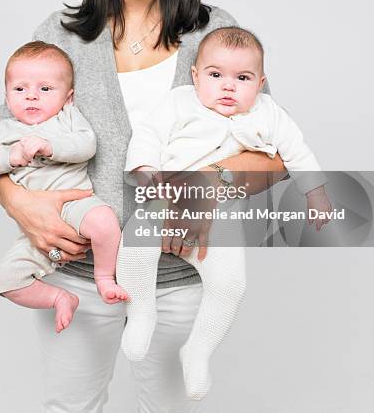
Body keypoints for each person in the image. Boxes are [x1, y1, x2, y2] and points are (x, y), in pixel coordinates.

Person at [0, 0, 286, 412]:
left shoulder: (216, 34)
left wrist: (200, 191)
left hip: (177, 277)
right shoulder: (59, 35)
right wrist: (21, 205)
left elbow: (272, 159)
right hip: (73, 274)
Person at [118, 26, 331, 400]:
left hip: (220, 218)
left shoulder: (269, 113)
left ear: (261, 83)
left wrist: (316, 193)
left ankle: (198, 351)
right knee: (135, 248)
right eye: (216, 76)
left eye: (243, 78)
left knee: (230, 285)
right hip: (164, 195)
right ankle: (141, 313)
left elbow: (296, 153)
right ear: (195, 76)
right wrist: (146, 173)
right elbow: (149, 136)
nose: (228, 87)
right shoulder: (179, 103)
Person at [0, 41, 128, 334]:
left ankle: (105, 276)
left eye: (45, 89)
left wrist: (50, 146)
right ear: (6, 97)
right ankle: (60, 297)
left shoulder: (68, 118)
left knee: (105, 222)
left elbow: (86, 145)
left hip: (77, 204)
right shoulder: (3, 131)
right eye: (20, 89)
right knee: (6, 279)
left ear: (68, 97)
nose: (31, 95)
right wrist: (11, 156)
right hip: (37, 221)